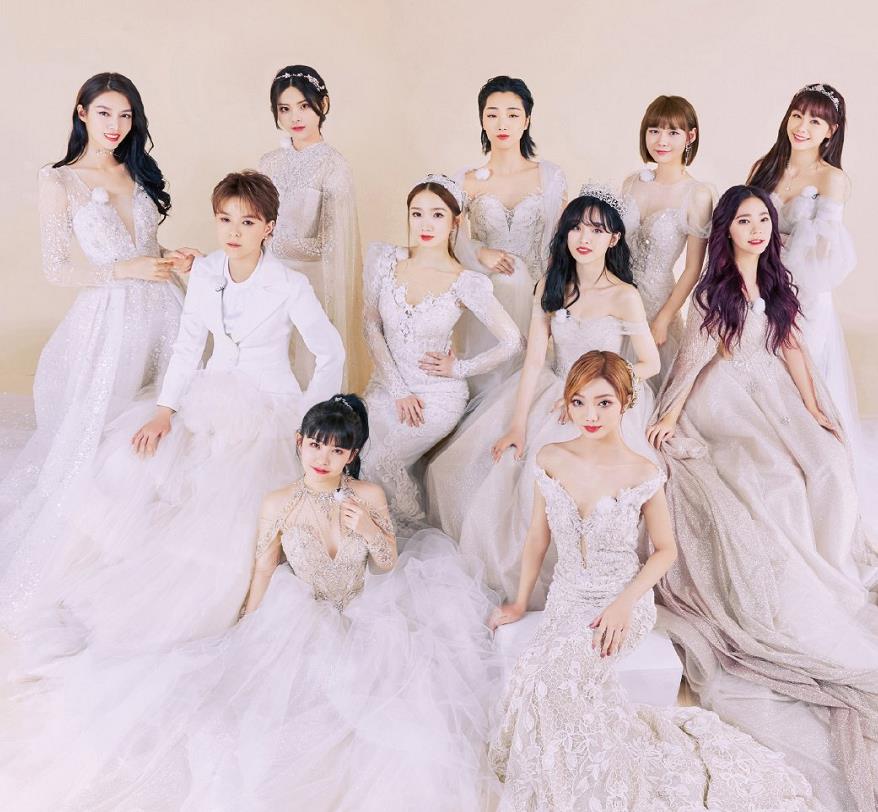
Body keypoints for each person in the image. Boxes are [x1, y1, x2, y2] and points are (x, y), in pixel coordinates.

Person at [0, 396, 503, 812]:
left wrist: (369, 527)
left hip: (365, 608)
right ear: (299, 442)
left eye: (336, 449)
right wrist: (250, 623)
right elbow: (264, 568)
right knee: (260, 711)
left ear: (351, 454)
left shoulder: (368, 494)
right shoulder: (278, 501)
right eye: (315, 444)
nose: (323, 457)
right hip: (303, 610)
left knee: (390, 714)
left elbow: (388, 563)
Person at [5, 170, 344, 656]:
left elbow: (331, 353)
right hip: (205, 401)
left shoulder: (290, 285)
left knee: (225, 512)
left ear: (269, 227)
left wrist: (309, 424)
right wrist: (164, 411)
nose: (233, 232)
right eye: (225, 219)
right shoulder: (206, 273)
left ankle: (191, 605)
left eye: (248, 222)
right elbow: (187, 347)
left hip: (268, 411)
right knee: (130, 463)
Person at [488, 349, 821, 811]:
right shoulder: (551, 458)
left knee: (554, 681)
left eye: (604, 402)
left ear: (625, 403)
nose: (590, 415)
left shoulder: (643, 472)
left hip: (622, 603)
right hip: (568, 599)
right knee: (536, 677)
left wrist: (624, 604)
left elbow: (666, 550)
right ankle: (565, 779)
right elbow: (536, 538)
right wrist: (520, 603)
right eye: (579, 402)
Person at [649, 184, 878, 811]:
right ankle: (788, 570)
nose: (755, 229)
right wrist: (669, 413)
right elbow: (694, 357)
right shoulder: (712, 292)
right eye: (744, 221)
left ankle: (831, 562)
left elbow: (793, 348)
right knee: (766, 473)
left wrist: (812, 407)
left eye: (762, 220)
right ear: (726, 230)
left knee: (828, 463)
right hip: (725, 395)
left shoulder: (778, 285)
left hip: (773, 386)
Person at [0, 71, 196, 620]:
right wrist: (124, 270)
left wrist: (171, 257)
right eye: (105, 113)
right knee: (101, 433)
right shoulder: (60, 180)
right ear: (81, 112)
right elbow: (57, 268)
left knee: (170, 416)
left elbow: (147, 243)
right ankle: (104, 549)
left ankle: (160, 541)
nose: (116, 125)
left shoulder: (136, 169)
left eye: (126, 115)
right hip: (110, 321)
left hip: (165, 310)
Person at [427, 187, 659, 606]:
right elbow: (534, 360)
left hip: (604, 399)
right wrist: (517, 425)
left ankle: (584, 577)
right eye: (576, 228)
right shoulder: (549, 287)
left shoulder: (624, 294)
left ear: (614, 239)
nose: (584, 238)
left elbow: (650, 363)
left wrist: (590, 394)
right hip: (553, 389)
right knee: (472, 469)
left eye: (596, 230)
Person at [359, 174, 523, 533]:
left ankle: (401, 537)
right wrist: (398, 390)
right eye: (416, 214)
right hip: (387, 387)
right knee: (354, 454)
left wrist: (459, 368)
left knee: (380, 462)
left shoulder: (466, 282)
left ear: (455, 222)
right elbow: (370, 326)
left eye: (437, 215)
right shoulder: (385, 261)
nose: (425, 224)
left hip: (436, 398)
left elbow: (512, 340)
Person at [454, 75, 567, 394]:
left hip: (536, 296)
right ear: (482, 120)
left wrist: (550, 293)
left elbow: (563, 242)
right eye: (492, 114)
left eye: (512, 114)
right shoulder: (465, 180)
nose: (502, 123)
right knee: (486, 386)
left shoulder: (549, 177)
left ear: (526, 120)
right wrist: (479, 252)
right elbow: (449, 240)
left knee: (530, 384)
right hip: (487, 297)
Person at [259, 65, 363, 387]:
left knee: (306, 370)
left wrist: (276, 243)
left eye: (304, 106)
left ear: (324, 104)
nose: (295, 117)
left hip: (311, 282)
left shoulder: (334, 166)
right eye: (285, 109)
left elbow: (332, 245)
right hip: (266, 278)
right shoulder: (268, 163)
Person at [621, 94, 714, 388]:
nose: (661, 141)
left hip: (657, 302)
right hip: (616, 296)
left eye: (673, 132)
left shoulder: (697, 194)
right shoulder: (632, 182)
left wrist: (664, 318)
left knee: (646, 386)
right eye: (654, 130)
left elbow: (693, 269)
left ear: (690, 136)